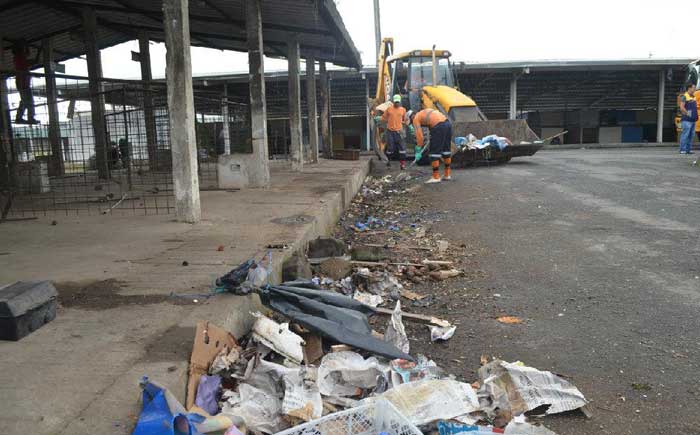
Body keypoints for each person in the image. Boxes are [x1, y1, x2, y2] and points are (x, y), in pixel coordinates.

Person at [410, 108, 452, 183]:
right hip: (447, 124)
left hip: (438, 127)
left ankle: (436, 177)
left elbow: (420, 137)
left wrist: (418, 150)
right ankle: (447, 174)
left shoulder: (415, 118)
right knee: (446, 151)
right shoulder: (423, 112)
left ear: (411, 117)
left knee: (434, 153)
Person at [379, 94, 408, 169]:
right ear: (393, 101)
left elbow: (406, 119)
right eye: (395, 102)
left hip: (400, 131)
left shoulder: (403, 110)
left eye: (398, 102)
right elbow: (383, 117)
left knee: (402, 149)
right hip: (390, 131)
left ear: (400, 102)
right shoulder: (389, 109)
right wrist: (379, 119)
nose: (397, 103)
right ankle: (388, 163)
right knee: (390, 149)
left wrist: (407, 123)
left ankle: (402, 165)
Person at [12, 40, 38, 125]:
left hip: (23, 83)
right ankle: (28, 118)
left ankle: (21, 117)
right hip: (22, 83)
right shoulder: (19, 58)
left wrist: (26, 45)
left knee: (25, 101)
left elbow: (28, 57)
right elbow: (30, 61)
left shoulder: (19, 57)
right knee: (28, 101)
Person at [679, 83, 697, 154]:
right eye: (693, 87)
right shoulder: (684, 96)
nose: (694, 89)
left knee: (691, 135)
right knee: (685, 134)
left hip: (693, 120)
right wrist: (688, 114)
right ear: (689, 88)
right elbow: (682, 107)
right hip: (686, 120)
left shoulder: (693, 97)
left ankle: (688, 150)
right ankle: (682, 149)